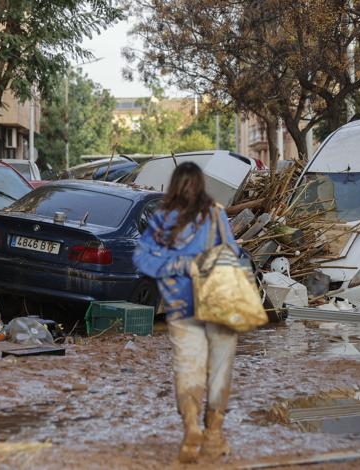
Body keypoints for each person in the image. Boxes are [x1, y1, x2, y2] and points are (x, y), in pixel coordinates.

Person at [133, 162, 241, 463]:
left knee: (188, 368)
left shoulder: (162, 220)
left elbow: (142, 259)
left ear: (174, 185)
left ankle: (191, 427)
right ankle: (214, 437)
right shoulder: (216, 214)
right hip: (216, 304)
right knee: (219, 371)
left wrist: (174, 266)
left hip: (181, 308)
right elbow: (232, 252)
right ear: (202, 185)